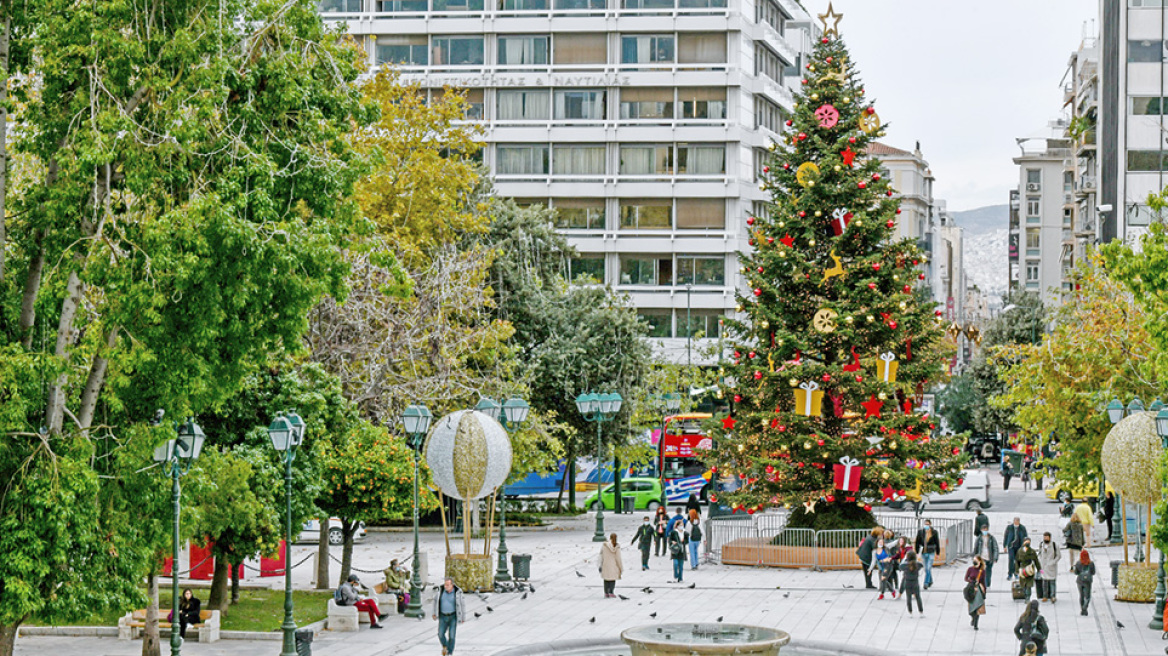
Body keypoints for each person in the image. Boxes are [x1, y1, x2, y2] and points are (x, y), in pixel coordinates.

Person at [432, 577, 465, 655]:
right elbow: (435, 602)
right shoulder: (440, 591)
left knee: (452, 636)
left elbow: (462, 604)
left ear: (452, 585)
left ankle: (449, 652)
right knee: (440, 634)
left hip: (453, 616)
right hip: (443, 616)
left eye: (448, 585)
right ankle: (445, 646)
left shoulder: (458, 592)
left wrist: (463, 617)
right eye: (445, 584)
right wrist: (434, 613)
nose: (446, 586)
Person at [914, 519, 940, 589]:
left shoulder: (934, 532)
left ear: (930, 525)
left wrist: (937, 553)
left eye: (928, 524)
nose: (926, 526)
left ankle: (926, 583)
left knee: (928, 567)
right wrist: (917, 551)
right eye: (925, 524)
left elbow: (937, 542)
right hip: (923, 552)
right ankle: (930, 580)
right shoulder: (920, 532)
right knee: (926, 568)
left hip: (931, 551)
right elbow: (917, 542)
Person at [1036, 531, 1060, 603]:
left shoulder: (1054, 545)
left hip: (1051, 567)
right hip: (1043, 567)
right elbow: (1039, 554)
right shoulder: (1041, 545)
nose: (1045, 539)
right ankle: (1045, 596)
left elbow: (1058, 556)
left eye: (1047, 537)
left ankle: (1053, 596)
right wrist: (1040, 562)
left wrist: (1053, 562)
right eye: (1044, 537)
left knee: (1052, 582)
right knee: (1044, 582)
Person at [964, 556, 987, 630]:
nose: (974, 562)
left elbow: (983, 581)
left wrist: (984, 592)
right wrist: (971, 581)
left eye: (976, 560)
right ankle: (973, 617)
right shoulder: (970, 569)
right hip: (971, 589)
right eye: (973, 560)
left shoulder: (982, 571)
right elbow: (966, 578)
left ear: (980, 562)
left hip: (978, 589)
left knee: (977, 606)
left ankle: (976, 624)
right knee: (971, 606)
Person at [973, 523, 999, 588]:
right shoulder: (979, 538)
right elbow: (976, 548)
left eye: (986, 529)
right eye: (983, 529)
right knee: (981, 571)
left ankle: (988, 583)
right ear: (981, 530)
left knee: (988, 572)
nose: (985, 531)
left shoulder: (991, 538)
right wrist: (974, 557)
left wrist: (995, 557)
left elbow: (995, 548)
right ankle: (982, 583)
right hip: (981, 557)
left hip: (989, 557)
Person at [900, 550, 924, 617]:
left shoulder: (905, 565)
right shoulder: (917, 565)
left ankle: (910, 612)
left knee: (908, 598)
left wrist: (904, 559)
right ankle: (921, 612)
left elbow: (900, 566)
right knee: (918, 597)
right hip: (915, 582)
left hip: (907, 582)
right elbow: (921, 565)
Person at [599, 532, 623, 598]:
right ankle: (611, 592)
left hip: (605, 564)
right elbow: (618, 558)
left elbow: (601, 555)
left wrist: (600, 564)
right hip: (614, 565)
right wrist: (621, 567)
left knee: (606, 579)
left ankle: (606, 593)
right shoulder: (616, 547)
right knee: (612, 579)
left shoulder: (604, 545)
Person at [1016, 538, 1040, 602]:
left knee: (1029, 585)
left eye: (1029, 542)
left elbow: (1036, 561)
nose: (1027, 544)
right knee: (1023, 584)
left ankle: (1028, 597)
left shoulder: (1032, 551)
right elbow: (1017, 561)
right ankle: (1025, 595)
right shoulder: (1020, 551)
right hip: (1022, 569)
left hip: (1030, 570)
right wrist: (1017, 570)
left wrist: (1040, 570)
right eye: (1026, 542)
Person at [1073, 549, 1096, 616]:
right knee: (1087, 596)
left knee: (1081, 595)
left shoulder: (1078, 563)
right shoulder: (1091, 563)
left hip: (1080, 581)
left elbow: (1076, 572)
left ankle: (1082, 609)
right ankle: (1085, 608)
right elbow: (1093, 572)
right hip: (1088, 582)